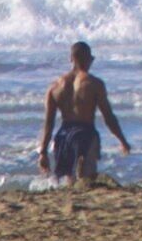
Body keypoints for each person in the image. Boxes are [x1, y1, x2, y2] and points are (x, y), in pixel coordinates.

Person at [40, 41, 133, 187]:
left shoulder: (54, 87)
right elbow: (108, 117)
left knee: (70, 181)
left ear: (71, 59)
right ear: (88, 59)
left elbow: (48, 123)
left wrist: (43, 152)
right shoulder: (94, 84)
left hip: (63, 136)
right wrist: (122, 140)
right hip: (85, 134)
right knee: (86, 181)